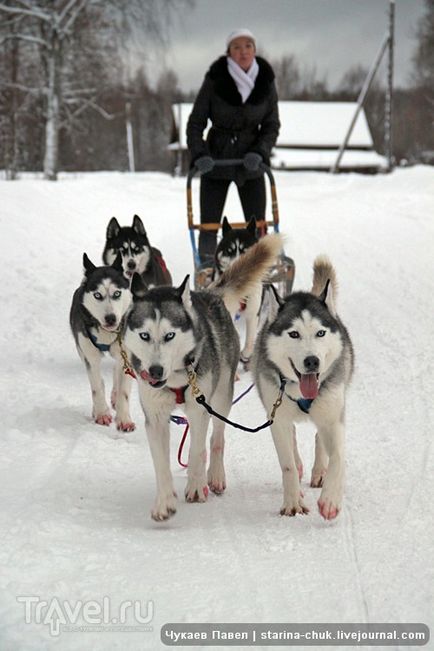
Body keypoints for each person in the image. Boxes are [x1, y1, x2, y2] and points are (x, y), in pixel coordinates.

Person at [187, 28, 280, 263]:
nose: (243, 52)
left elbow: (271, 125)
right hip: (216, 160)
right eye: (237, 47)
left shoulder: (265, 81)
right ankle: (208, 268)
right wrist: (200, 155)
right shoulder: (216, 79)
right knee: (209, 224)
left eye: (248, 46)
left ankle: (258, 269)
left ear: (254, 50)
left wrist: (260, 152)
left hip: (251, 161)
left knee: (257, 223)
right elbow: (196, 123)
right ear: (229, 52)